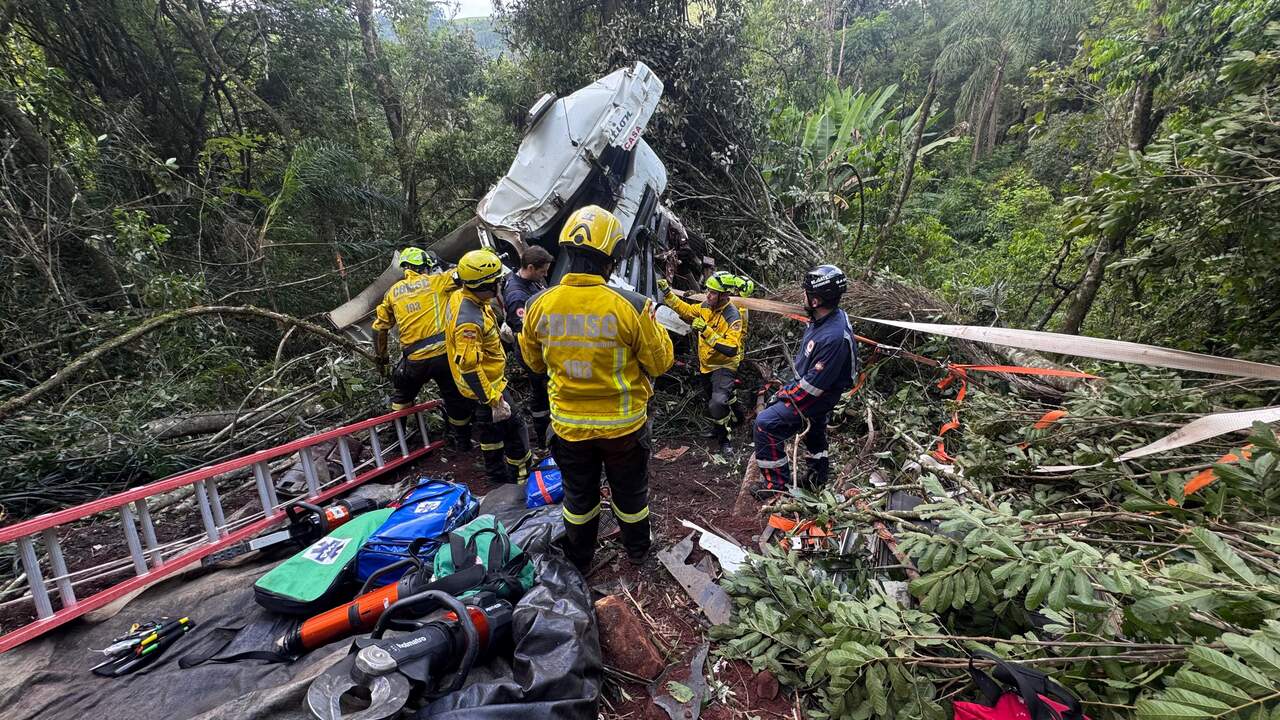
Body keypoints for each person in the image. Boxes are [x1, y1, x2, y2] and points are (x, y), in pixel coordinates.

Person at [518, 205, 674, 570]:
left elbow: (534, 364)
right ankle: (637, 552)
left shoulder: (538, 304)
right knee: (631, 495)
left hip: (569, 428)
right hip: (623, 429)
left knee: (578, 498)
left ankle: (581, 558)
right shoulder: (633, 306)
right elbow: (661, 363)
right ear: (613, 258)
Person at [753, 264, 857, 496]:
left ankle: (776, 487)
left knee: (765, 424)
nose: (803, 296)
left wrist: (783, 395)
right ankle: (817, 474)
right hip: (818, 386)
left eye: (807, 293)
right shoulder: (828, 317)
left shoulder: (833, 338)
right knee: (816, 428)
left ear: (816, 301)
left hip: (820, 392)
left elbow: (812, 388)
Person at [445, 248, 533, 484]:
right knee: (514, 427)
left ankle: (498, 476)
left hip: (486, 383)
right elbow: (470, 367)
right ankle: (518, 474)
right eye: (497, 282)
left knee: (491, 433)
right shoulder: (469, 323)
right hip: (485, 387)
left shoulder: (463, 296)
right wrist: (493, 401)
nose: (500, 286)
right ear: (485, 286)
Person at [373, 247, 472, 449]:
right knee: (454, 397)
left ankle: (396, 441)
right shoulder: (438, 281)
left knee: (402, 395)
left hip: (414, 360)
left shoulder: (392, 293)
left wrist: (382, 359)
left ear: (406, 268)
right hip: (444, 356)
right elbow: (466, 273)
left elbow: (379, 328)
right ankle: (462, 441)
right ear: (425, 267)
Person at [658, 271, 745, 454]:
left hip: (724, 364)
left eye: (713, 292)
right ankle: (738, 417)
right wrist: (667, 294)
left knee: (717, 403)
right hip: (706, 364)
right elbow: (686, 310)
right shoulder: (705, 306)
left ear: (724, 295)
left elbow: (731, 348)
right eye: (708, 291)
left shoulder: (732, 316)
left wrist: (706, 331)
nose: (708, 295)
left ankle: (725, 441)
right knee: (715, 399)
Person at [503, 245, 555, 448]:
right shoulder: (518, 295)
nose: (546, 274)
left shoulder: (530, 282)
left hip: (538, 350)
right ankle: (543, 438)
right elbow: (525, 330)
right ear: (531, 267)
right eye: (543, 271)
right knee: (541, 393)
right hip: (531, 353)